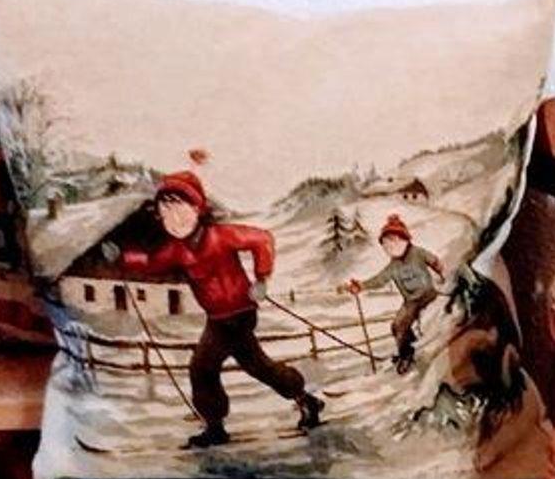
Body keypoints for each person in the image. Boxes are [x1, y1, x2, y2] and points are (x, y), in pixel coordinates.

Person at [105, 171, 323, 448]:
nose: (174, 220)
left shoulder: (221, 236)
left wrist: (261, 278)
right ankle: (305, 400)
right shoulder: (177, 250)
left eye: (180, 210)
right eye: (166, 213)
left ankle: (216, 428)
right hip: (218, 318)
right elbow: (150, 262)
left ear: (197, 209)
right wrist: (122, 258)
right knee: (257, 366)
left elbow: (262, 239)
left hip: (239, 314)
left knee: (203, 368)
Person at [345, 214, 444, 372]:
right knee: (397, 326)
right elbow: (380, 279)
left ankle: (413, 349)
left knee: (426, 321)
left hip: (427, 295)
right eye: (386, 242)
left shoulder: (417, 253)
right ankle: (407, 352)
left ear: (404, 239)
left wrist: (439, 269)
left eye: (393, 240)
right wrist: (361, 286)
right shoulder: (394, 265)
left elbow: (434, 261)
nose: (389, 245)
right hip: (411, 301)